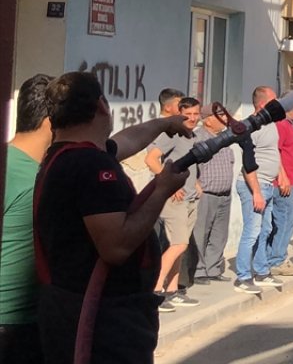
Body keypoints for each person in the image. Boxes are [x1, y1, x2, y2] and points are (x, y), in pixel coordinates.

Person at [33, 71, 193, 364]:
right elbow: (116, 246)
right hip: (102, 321)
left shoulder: (69, 156)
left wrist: (164, 124)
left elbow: (126, 140)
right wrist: (162, 189)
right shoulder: (89, 165)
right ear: (102, 107)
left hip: (77, 311)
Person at [1, 74, 54, 364]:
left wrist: (161, 124)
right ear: (51, 123)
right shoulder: (27, 175)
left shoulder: (40, 169)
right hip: (12, 328)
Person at [145, 96, 203, 312]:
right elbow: (151, 159)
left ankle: (172, 290)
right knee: (179, 244)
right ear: (179, 114)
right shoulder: (172, 134)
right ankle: (156, 291)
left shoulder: (193, 136)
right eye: (187, 115)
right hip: (173, 198)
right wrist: (168, 184)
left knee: (179, 246)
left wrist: (195, 182)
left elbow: (185, 164)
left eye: (196, 114)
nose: (192, 118)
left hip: (189, 198)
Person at [232, 86, 288, 294]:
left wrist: (281, 173)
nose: (278, 104)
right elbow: (248, 165)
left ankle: (262, 271)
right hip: (254, 186)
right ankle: (243, 277)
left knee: (265, 230)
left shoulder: (270, 123)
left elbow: (273, 151)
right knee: (252, 231)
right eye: (274, 101)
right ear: (263, 104)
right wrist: (255, 192)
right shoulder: (250, 126)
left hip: (268, 183)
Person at [190, 104, 240, 285]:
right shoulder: (198, 138)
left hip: (224, 194)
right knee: (200, 232)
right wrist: (196, 184)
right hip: (206, 193)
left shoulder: (224, 139)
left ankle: (213, 268)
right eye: (220, 116)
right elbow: (191, 166)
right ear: (208, 119)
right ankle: (199, 270)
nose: (225, 119)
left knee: (219, 234)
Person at [267, 105, 293, 278]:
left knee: (285, 220)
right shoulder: (281, 125)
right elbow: (275, 152)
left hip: (290, 182)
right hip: (283, 183)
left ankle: (274, 257)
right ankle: (277, 260)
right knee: (285, 220)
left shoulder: (290, 125)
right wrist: (282, 177)